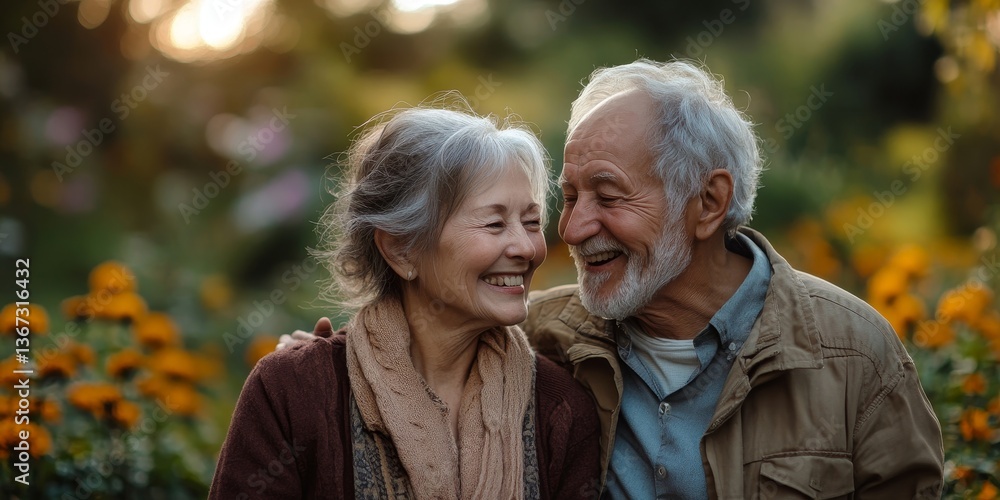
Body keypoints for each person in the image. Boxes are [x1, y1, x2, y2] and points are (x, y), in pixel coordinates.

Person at [282, 60, 945, 499]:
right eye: (568, 197)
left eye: (608, 195)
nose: (569, 231)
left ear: (708, 204)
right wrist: (314, 367)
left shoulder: (854, 355)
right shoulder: (540, 337)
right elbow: (420, 329)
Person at [213, 97, 601, 499]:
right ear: (401, 249)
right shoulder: (292, 392)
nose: (526, 247)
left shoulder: (561, 411)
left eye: (531, 222)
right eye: (494, 223)